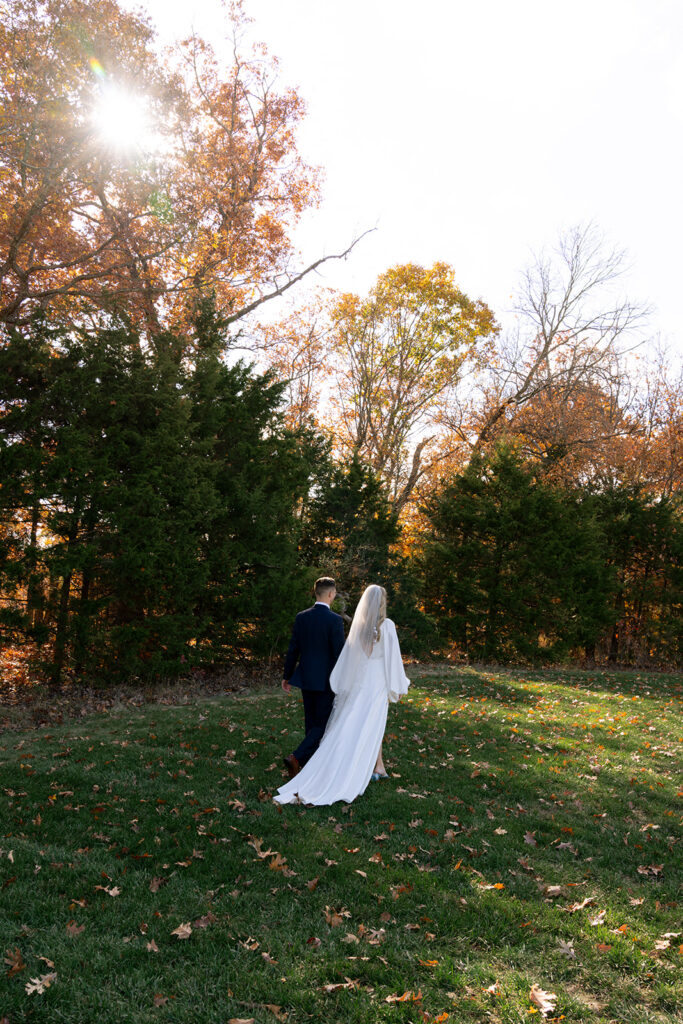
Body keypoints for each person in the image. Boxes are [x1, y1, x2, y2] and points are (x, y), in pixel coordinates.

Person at [274, 584, 410, 806]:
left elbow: (347, 658)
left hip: (360, 682)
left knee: (361, 723)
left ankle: (378, 766)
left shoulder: (360, 627)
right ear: (383, 602)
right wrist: (398, 686)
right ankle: (367, 767)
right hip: (376, 683)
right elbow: (393, 660)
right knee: (372, 724)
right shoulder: (387, 626)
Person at [280, 576, 346, 778]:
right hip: (327, 680)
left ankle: (307, 763)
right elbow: (339, 653)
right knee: (323, 724)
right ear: (331, 594)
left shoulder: (302, 617)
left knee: (311, 721)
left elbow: (294, 649)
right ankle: (297, 757)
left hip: (306, 677)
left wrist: (287, 675)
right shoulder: (335, 620)